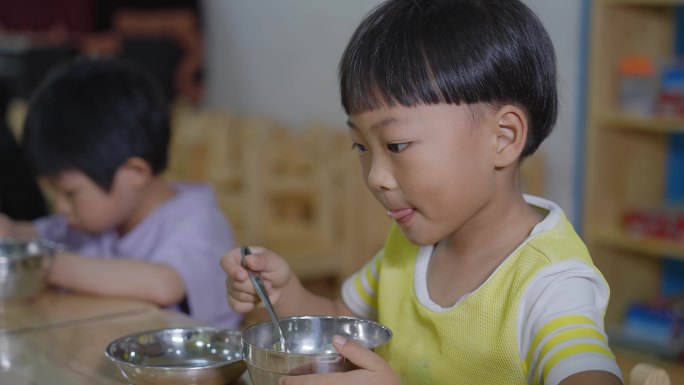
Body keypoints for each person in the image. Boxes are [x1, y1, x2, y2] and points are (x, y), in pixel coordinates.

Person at [223, 0, 624, 384]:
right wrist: (284, 292)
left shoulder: (551, 283)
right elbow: (339, 321)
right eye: (361, 147)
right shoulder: (407, 248)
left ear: (502, 138)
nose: (376, 177)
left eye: (396, 145)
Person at [0, 56, 242, 329]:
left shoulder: (198, 221)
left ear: (135, 173)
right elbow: (34, 236)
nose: (61, 207)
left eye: (70, 193)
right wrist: (10, 232)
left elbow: (163, 284)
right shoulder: (92, 220)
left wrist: (42, 265)